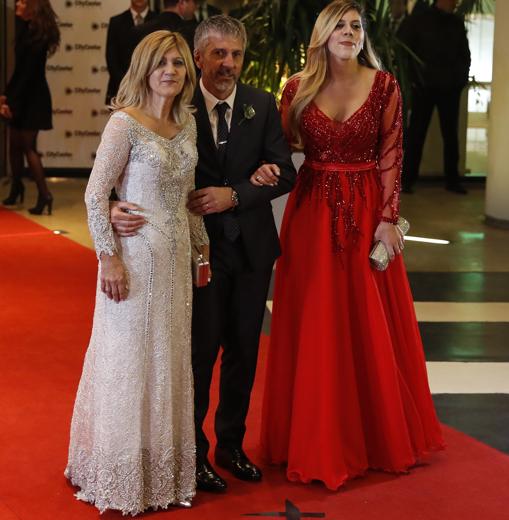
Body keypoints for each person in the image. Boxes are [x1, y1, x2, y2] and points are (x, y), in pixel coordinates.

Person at [255, 0, 445, 491]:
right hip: (311, 214)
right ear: (322, 34)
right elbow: (282, 147)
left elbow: (392, 153)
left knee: (366, 322)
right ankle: (314, 436)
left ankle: (374, 436)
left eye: (355, 25)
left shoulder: (384, 86)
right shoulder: (296, 88)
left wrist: (387, 220)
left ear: (364, 35)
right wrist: (260, 171)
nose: (348, 32)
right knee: (317, 322)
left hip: (366, 213)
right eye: (338, 25)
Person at [111, 15, 296, 493]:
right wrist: (114, 206)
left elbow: (284, 171)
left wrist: (234, 195)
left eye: (235, 54)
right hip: (194, 253)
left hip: (253, 251)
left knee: (244, 353)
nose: (228, 63)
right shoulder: (176, 105)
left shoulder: (261, 104)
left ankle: (231, 445)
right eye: (218, 53)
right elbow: (127, 167)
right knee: (198, 354)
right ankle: (191, 452)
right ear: (198, 58)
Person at [65, 30, 209, 515]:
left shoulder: (188, 124)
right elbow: (93, 194)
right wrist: (107, 255)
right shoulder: (123, 124)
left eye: (179, 62)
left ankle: (160, 471)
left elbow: (189, 200)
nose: (171, 70)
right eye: (161, 62)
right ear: (144, 68)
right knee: (128, 362)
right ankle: (116, 471)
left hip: (174, 267)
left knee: (167, 362)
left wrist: (202, 253)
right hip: (131, 262)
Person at [399, 0, 471, 194]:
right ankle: (407, 180)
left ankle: (452, 180)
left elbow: (465, 54)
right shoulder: (420, 20)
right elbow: (404, 50)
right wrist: (413, 80)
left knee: (450, 135)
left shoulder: (455, 22)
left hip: (449, 87)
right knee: (417, 134)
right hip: (424, 87)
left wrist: (460, 79)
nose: (455, 3)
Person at [1, 0, 59, 215]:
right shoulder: (27, 29)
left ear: (33, 6)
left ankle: (45, 195)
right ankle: (17, 187)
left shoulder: (38, 35)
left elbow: (27, 76)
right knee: (14, 144)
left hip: (32, 98)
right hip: (22, 94)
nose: (17, 5)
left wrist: (10, 102)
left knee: (28, 147)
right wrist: (5, 97)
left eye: (23, 2)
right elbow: (19, 72)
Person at [105, 0, 156, 104]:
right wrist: (127, 84)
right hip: (121, 89)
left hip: (152, 90)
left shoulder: (158, 20)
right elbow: (111, 58)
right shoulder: (116, 21)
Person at [129, 0, 198, 58]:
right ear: (182, 3)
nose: (195, 7)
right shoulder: (192, 32)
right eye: (194, 2)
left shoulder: (139, 30)